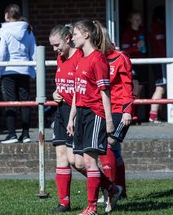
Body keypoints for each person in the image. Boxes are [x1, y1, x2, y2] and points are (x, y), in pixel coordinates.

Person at [67, 19, 122, 215]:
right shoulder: (80, 58)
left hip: (95, 113)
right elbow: (76, 91)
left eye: (75, 34)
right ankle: (112, 189)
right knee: (78, 162)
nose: (72, 38)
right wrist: (71, 117)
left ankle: (91, 207)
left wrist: (108, 120)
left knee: (90, 162)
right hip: (81, 113)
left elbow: (104, 92)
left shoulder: (98, 59)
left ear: (86, 35)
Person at [49, 24, 84, 212]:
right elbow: (61, 84)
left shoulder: (80, 57)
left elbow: (81, 88)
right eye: (53, 47)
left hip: (76, 112)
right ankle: (64, 202)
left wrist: (74, 116)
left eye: (57, 45)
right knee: (60, 156)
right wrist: (55, 93)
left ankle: (109, 186)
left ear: (68, 39)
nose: (55, 50)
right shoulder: (60, 59)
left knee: (76, 161)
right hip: (61, 111)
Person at [98, 27, 134, 203]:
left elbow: (128, 86)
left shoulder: (121, 58)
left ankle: (110, 191)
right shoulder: (95, 59)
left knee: (109, 146)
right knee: (115, 152)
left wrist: (128, 110)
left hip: (120, 110)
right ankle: (121, 190)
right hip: (103, 110)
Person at [0, 4, 36, 144]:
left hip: (9, 70)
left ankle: (11, 134)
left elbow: (1, 53)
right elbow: (33, 51)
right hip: (24, 70)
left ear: (6, 16)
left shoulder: (3, 30)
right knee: (25, 102)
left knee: (10, 102)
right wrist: (34, 71)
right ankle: (26, 134)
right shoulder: (28, 30)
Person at [121, 10, 149, 124]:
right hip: (133, 63)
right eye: (136, 19)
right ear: (130, 20)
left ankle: (135, 113)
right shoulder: (127, 33)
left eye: (139, 19)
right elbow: (124, 50)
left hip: (143, 62)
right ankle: (132, 115)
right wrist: (136, 47)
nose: (138, 21)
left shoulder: (143, 31)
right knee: (134, 88)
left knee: (139, 91)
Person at [149, 6, 167, 124]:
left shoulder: (156, 26)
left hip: (159, 60)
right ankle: (153, 116)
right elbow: (161, 46)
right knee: (160, 87)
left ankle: (156, 115)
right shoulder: (157, 26)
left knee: (162, 88)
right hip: (160, 61)